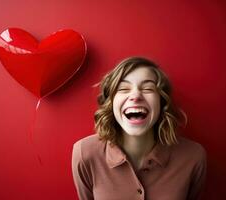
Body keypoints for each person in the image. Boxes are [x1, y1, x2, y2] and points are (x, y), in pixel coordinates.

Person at [72, 57, 207, 200]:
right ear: (111, 103)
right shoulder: (84, 153)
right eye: (123, 89)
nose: (136, 96)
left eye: (148, 88)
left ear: (161, 102)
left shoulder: (194, 156)